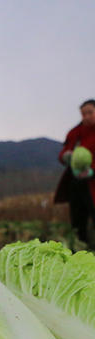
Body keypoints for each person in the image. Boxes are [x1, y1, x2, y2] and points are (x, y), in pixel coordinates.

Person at [54, 99, 95, 244]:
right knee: (77, 219)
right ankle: (80, 248)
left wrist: (92, 170)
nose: (86, 117)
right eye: (83, 114)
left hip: (93, 183)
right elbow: (64, 152)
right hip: (76, 181)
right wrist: (65, 156)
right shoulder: (75, 133)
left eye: (89, 112)